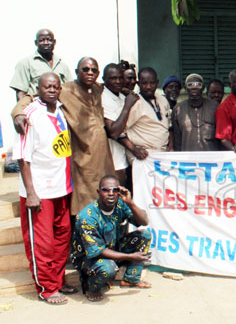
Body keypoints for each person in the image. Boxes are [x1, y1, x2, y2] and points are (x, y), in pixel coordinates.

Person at [13, 57, 115, 217]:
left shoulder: (96, 90)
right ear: (76, 72)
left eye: (94, 70)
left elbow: (114, 86)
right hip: (82, 160)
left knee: (104, 202)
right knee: (83, 207)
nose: (90, 73)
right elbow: (33, 96)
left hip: (103, 159)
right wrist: (18, 111)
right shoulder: (64, 89)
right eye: (85, 69)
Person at [14, 73, 75, 304]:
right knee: (42, 242)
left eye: (56, 87)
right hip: (39, 191)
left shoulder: (60, 110)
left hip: (62, 188)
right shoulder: (30, 114)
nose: (52, 90)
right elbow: (23, 157)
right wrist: (31, 193)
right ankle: (46, 288)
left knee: (62, 238)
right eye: (47, 86)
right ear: (37, 89)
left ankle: (57, 281)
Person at [70, 175, 152, 302]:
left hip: (113, 247)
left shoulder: (120, 204)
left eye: (115, 190)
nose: (111, 194)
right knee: (108, 268)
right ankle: (91, 286)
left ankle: (131, 279)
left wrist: (130, 203)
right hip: (88, 258)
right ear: (98, 192)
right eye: (106, 190)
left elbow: (144, 221)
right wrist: (131, 257)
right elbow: (98, 251)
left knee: (144, 235)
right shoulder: (87, 217)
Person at [121, 67, 173, 162]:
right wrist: (134, 149)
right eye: (144, 83)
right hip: (143, 155)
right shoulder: (134, 102)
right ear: (138, 84)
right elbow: (120, 132)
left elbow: (169, 127)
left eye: (152, 83)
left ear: (157, 83)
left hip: (162, 154)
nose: (148, 87)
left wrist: (171, 146)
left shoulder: (163, 100)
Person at [101, 63, 140, 186]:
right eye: (113, 78)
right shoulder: (103, 98)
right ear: (104, 79)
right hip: (113, 158)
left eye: (120, 78)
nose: (118, 81)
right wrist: (127, 106)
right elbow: (113, 132)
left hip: (125, 156)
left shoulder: (122, 96)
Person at [10, 29, 72, 101]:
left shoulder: (62, 65)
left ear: (54, 42)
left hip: (59, 108)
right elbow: (20, 93)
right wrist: (22, 110)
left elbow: (70, 90)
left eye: (49, 40)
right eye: (42, 40)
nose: (46, 43)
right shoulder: (25, 63)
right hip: (36, 108)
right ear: (36, 43)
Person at [172, 74, 220, 151]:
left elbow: (220, 137)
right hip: (187, 160)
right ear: (185, 88)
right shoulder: (178, 109)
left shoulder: (214, 107)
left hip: (211, 159)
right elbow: (177, 141)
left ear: (203, 88)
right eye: (190, 85)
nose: (194, 87)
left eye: (198, 84)